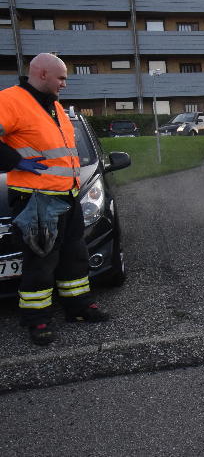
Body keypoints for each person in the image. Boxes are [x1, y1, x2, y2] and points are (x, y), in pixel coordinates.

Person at [0, 53, 109, 346]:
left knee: (75, 256)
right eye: (61, 77)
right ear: (42, 74)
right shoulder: (11, 100)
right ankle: (37, 321)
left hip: (67, 195)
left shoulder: (54, 106)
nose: (65, 83)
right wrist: (13, 161)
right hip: (37, 200)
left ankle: (78, 308)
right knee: (40, 262)